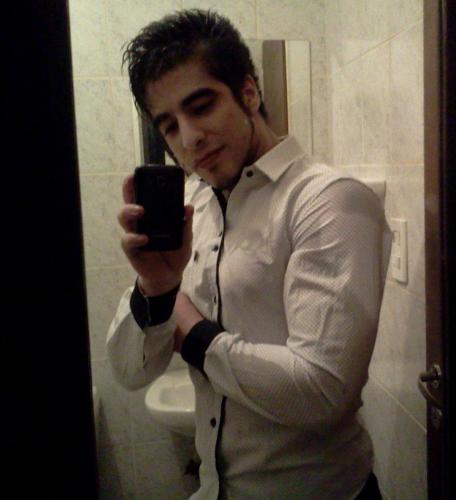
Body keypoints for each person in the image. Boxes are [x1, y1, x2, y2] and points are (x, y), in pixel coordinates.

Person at [107, 9, 392, 500]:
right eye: (169, 126)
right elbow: (130, 373)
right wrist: (155, 291)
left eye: (201, 106)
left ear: (249, 91)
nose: (189, 139)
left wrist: (194, 333)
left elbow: (322, 392)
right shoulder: (190, 209)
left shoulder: (329, 200)